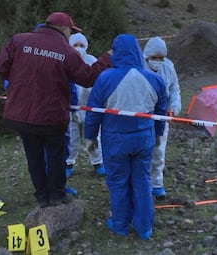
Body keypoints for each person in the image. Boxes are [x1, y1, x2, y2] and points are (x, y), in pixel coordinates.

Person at [0, 12, 111, 208]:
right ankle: (56, 196)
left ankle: (41, 197)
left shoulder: (19, 40)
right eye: (70, 31)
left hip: (21, 114)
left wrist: (15, 80)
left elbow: (0, 66)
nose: (70, 36)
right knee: (56, 156)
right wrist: (106, 59)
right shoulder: (66, 51)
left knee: (34, 156)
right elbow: (87, 77)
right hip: (52, 116)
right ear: (64, 29)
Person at [84, 34, 168, 240]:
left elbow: (93, 111)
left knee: (118, 181)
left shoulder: (105, 78)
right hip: (144, 137)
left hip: (115, 139)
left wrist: (90, 137)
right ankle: (144, 227)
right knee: (142, 179)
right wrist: (158, 134)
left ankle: (120, 224)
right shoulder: (155, 79)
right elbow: (161, 111)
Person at [142, 36, 181, 200]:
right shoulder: (139, 66)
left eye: (161, 58)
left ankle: (157, 183)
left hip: (161, 114)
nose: (158, 61)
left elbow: (174, 88)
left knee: (158, 149)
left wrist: (174, 105)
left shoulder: (168, 66)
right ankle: (142, 184)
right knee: (142, 150)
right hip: (142, 113)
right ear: (147, 56)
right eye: (154, 58)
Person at [65, 32, 106, 177]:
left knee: (92, 136)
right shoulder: (65, 61)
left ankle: (98, 162)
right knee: (72, 137)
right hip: (71, 109)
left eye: (81, 45)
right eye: (75, 45)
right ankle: (68, 163)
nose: (78, 48)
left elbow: (99, 83)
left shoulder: (92, 61)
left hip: (90, 107)